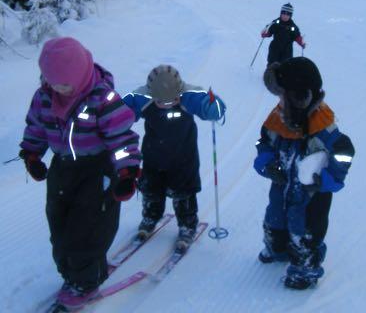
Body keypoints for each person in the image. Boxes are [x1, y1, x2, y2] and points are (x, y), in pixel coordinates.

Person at [19, 37, 141, 310]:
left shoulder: (102, 98)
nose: (59, 89)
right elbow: (36, 128)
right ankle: (71, 273)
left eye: (65, 84)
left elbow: (122, 139)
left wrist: (127, 172)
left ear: (79, 75)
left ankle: (85, 281)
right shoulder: (44, 97)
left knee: (88, 229)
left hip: (97, 170)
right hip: (63, 169)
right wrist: (32, 155)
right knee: (59, 226)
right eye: (53, 83)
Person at [254, 57, 355, 290]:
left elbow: (344, 153)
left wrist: (328, 179)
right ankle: (277, 248)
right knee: (274, 220)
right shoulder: (279, 117)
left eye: (283, 95)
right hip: (282, 183)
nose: (279, 101)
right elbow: (264, 142)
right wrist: (266, 161)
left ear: (300, 97)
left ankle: (305, 269)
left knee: (306, 231)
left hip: (312, 191)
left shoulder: (323, 127)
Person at [123, 65, 226, 252]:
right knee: (151, 188)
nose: (168, 104)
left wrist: (213, 106)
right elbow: (119, 111)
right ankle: (150, 217)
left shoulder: (189, 95)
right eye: (162, 102)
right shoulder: (142, 97)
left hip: (184, 157)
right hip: (154, 154)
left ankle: (187, 224)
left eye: (173, 100)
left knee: (184, 191)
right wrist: (115, 120)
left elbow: (213, 105)